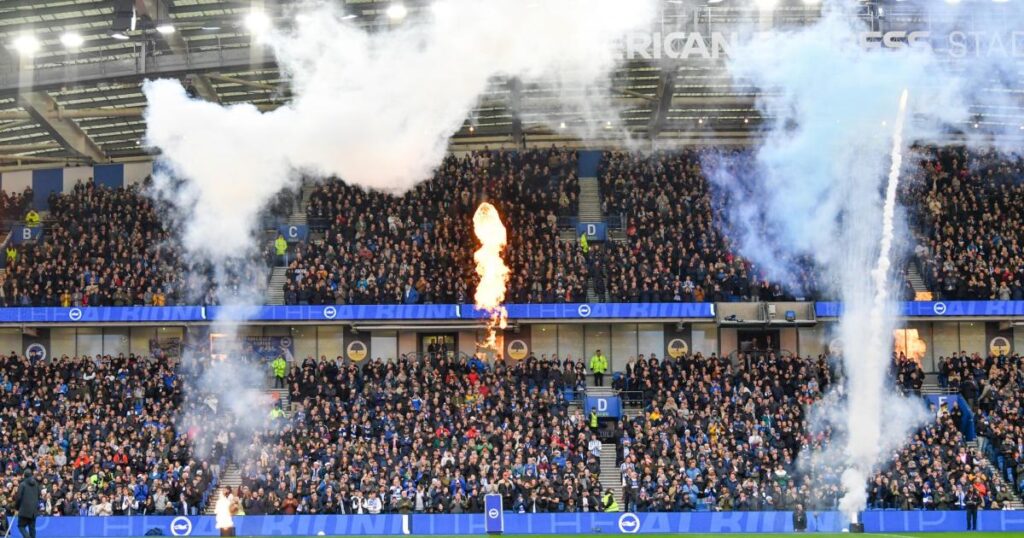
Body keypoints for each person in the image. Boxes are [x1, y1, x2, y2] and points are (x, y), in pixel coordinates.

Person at [16, 468, 41, 538]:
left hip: (24, 510)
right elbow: (39, 495)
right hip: (33, 510)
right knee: (32, 528)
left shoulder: (22, 484)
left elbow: (18, 497)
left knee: (21, 526)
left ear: (24, 475)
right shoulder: (36, 484)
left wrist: (17, 508)